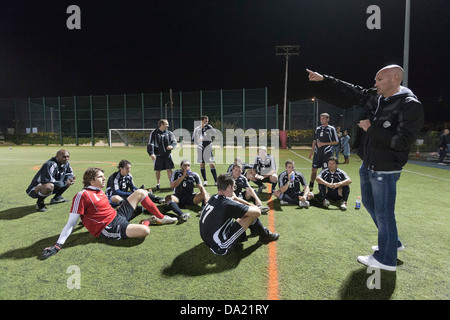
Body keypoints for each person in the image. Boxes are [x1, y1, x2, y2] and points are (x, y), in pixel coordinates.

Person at [307, 65, 424, 271]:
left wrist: (372, 129)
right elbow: (351, 89)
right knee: (371, 206)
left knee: (384, 213)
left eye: (379, 80)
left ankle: (386, 259)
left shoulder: (410, 105)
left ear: (396, 79)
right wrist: (324, 79)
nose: (375, 84)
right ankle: (393, 243)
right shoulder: (377, 97)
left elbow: (403, 141)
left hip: (385, 168)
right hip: (368, 164)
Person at [41, 167, 176, 260]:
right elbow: (71, 222)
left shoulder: (99, 191)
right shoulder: (82, 195)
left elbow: (102, 206)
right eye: (101, 177)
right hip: (108, 227)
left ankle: (161, 217)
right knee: (145, 230)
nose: (104, 179)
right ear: (91, 180)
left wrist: (114, 199)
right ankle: (148, 221)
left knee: (141, 192)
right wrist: (58, 245)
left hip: (117, 215)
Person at [199, 173, 279, 255]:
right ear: (229, 187)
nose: (234, 190)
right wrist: (239, 199)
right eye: (233, 187)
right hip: (220, 246)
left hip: (208, 238)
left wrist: (236, 199)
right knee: (251, 214)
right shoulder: (227, 204)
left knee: (245, 213)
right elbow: (257, 212)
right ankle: (265, 236)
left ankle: (258, 231)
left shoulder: (214, 197)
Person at [105, 160, 169, 224]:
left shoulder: (129, 176)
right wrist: (132, 194)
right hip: (111, 198)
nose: (129, 170)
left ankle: (158, 199)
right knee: (117, 197)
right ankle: (127, 208)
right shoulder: (114, 177)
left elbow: (133, 188)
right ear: (121, 168)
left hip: (123, 197)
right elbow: (116, 192)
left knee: (141, 201)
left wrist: (139, 190)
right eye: (127, 168)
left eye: (130, 168)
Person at [308, 113, 339, 191]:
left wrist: (324, 144)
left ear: (328, 119)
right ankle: (311, 186)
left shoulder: (331, 129)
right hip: (317, 153)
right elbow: (314, 141)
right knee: (314, 170)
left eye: (324, 118)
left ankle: (323, 188)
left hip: (327, 154)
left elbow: (336, 142)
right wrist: (311, 152)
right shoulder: (317, 129)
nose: (322, 120)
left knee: (324, 171)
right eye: (321, 119)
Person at [147, 119, 177, 189]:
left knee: (169, 169)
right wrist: (151, 153)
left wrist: (172, 146)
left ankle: (171, 183)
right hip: (158, 155)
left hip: (167, 155)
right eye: (166, 124)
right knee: (158, 170)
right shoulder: (154, 133)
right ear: (161, 124)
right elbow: (150, 143)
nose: (168, 125)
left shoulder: (169, 133)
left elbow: (174, 142)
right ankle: (158, 183)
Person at [192, 115, 218, 186]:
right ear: (201, 121)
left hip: (208, 148)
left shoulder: (209, 127)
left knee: (212, 164)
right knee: (202, 164)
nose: (206, 122)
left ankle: (216, 181)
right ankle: (205, 181)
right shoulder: (197, 129)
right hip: (200, 148)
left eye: (207, 121)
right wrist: (197, 140)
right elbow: (193, 138)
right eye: (205, 121)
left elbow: (214, 133)